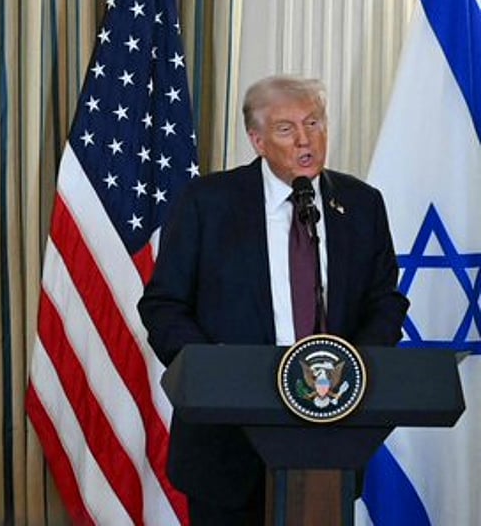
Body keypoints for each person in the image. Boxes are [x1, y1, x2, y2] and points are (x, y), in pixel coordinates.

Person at [138, 75, 408, 525]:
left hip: (330, 439)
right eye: (286, 129)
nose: (305, 140)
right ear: (257, 140)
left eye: (314, 123)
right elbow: (164, 305)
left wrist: (353, 369)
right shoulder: (208, 202)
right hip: (227, 446)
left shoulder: (361, 204)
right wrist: (213, 372)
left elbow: (385, 302)